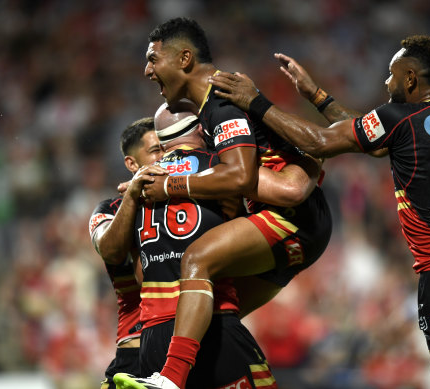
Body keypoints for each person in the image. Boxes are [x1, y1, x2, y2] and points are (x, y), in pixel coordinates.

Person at [208, 35, 430, 389]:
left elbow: (319, 143)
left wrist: (256, 102)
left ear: (411, 79)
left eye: (392, 75)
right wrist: (317, 96)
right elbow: (376, 139)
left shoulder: (400, 118)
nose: (387, 83)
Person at [128, 17, 332, 389]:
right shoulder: (222, 100)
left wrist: (172, 186)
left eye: (153, 59)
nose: (147, 70)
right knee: (216, 316)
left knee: (196, 261)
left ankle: (171, 380)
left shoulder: (222, 105)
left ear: (184, 59)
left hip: (291, 218)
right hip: (298, 222)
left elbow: (242, 177)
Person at [113, 100, 277, 389]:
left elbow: (140, 273)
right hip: (212, 325)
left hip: (153, 337)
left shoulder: (139, 186)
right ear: (201, 129)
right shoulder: (220, 169)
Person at [89, 118, 164, 389]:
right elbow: (110, 250)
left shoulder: (192, 201)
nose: (166, 154)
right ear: (132, 164)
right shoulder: (109, 209)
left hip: (192, 346)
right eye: (156, 150)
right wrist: (133, 197)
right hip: (136, 351)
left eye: (168, 146)